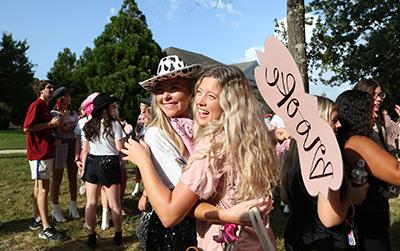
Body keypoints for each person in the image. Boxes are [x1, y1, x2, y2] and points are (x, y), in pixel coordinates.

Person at [123, 64, 279, 251]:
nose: (200, 102)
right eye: (199, 92)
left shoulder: (213, 144)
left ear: (230, 103)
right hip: (258, 240)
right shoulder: (254, 137)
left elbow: (169, 214)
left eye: (211, 96)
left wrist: (143, 162)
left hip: (226, 243)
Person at [281, 95, 368, 250]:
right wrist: (350, 198)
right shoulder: (325, 161)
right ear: (318, 122)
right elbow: (330, 218)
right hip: (326, 242)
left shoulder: (292, 154)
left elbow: (285, 197)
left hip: (297, 237)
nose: (339, 125)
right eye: (334, 120)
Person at [335, 90, 400, 251]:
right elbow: (397, 173)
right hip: (368, 221)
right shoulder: (356, 142)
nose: (375, 115)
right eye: (370, 109)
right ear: (358, 112)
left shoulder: (350, 139)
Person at [81, 93, 125, 249]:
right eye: (112, 106)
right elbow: (120, 148)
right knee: (115, 204)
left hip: (92, 162)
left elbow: (85, 150)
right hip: (109, 162)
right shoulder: (114, 124)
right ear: (106, 108)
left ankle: (91, 235)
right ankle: (118, 234)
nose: (114, 108)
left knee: (91, 203)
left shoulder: (89, 124)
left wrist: (83, 172)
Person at [23, 79, 63, 241]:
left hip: (45, 151)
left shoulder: (46, 106)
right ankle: (45, 228)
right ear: (40, 91)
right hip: (38, 153)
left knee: (39, 187)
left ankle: (38, 219)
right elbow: (27, 127)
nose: (52, 89)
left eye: (52, 87)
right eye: (49, 87)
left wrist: (53, 136)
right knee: (43, 188)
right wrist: (50, 124)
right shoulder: (36, 105)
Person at [48, 87, 80, 222]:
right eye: (65, 96)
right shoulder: (54, 113)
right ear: (59, 99)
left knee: (73, 176)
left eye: (69, 96)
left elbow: (75, 127)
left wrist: (70, 126)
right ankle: (55, 209)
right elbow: (60, 129)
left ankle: (73, 206)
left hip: (72, 144)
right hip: (60, 146)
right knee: (57, 178)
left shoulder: (73, 113)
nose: (68, 98)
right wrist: (63, 116)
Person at [132, 97, 151, 197]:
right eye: (140, 105)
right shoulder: (140, 117)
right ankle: (137, 185)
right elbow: (137, 129)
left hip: (149, 142)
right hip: (141, 140)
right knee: (138, 166)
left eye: (143, 105)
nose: (141, 107)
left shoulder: (151, 116)